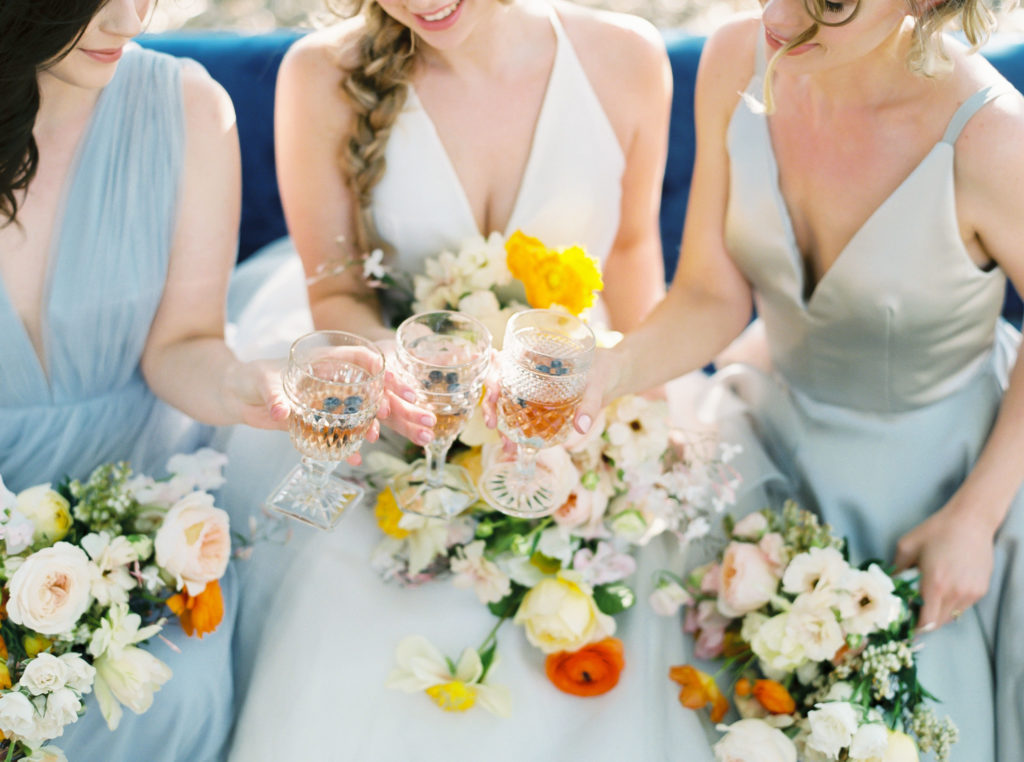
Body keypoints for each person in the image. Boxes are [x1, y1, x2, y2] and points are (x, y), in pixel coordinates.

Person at [226, 0, 717, 758]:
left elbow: (627, 254)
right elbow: (338, 294)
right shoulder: (319, 76)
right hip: (402, 414)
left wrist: (638, 420)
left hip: (573, 400)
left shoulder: (627, 58)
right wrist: (409, 377)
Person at [572, 0, 1024, 758]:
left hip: (946, 484)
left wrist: (974, 519)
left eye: (832, 4)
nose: (779, 16)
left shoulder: (994, 137)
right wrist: (610, 369)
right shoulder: (733, 57)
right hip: (766, 444)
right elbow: (711, 295)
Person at [0, 0, 292, 758]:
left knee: (174, 682)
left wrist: (242, 385)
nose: (130, 20)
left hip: (136, 496)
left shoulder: (189, 108)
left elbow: (184, 344)